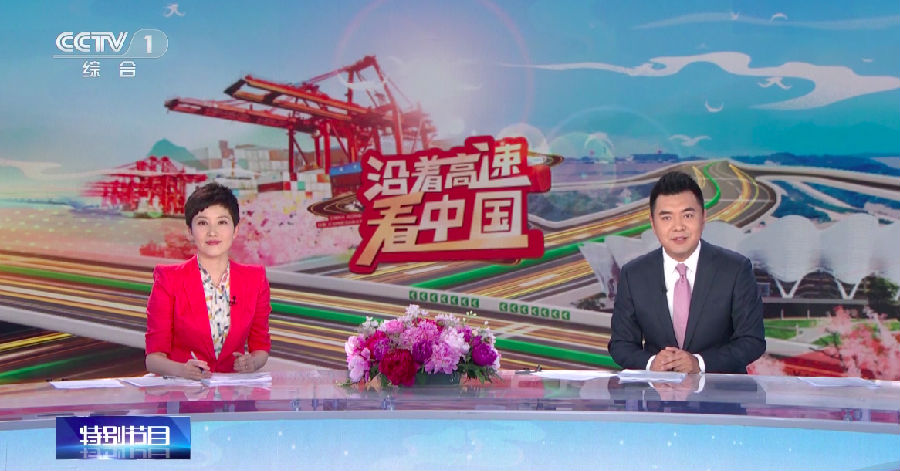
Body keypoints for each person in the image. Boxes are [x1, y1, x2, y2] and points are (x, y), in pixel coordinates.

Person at [608, 171, 765, 374]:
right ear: (653, 224)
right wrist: (652, 363)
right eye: (667, 218)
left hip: (720, 391)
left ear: (703, 218)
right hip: (658, 391)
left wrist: (699, 363)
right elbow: (621, 344)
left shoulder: (735, 269)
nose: (678, 227)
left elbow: (752, 340)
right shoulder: (634, 275)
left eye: (688, 215)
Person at [145, 182, 271, 379]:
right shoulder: (168, 279)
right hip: (183, 390)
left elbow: (261, 348)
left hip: (232, 391)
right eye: (203, 223)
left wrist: (252, 363)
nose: (213, 232)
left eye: (222, 222)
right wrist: (182, 370)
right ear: (190, 231)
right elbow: (153, 359)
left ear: (235, 230)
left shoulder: (255, 279)